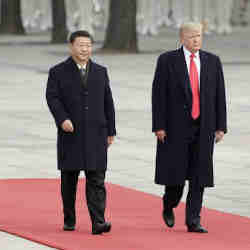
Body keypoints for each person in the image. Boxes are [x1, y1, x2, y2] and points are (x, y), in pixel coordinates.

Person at [152, 22, 227, 233]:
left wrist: (220, 126)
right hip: (175, 128)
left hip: (203, 127)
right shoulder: (167, 60)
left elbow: (219, 94)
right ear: (182, 38)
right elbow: (158, 95)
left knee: (199, 176)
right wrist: (159, 126)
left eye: (200, 36)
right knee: (175, 177)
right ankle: (169, 203)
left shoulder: (212, 61)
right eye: (192, 36)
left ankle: (193, 220)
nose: (197, 40)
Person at [46, 30, 116, 235]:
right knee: (69, 180)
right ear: (71, 47)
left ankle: (98, 221)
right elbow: (53, 98)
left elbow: (108, 102)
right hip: (71, 134)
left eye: (88, 45)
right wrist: (62, 119)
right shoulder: (58, 71)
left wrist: (111, 130)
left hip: (96, 133)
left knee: (97, 180)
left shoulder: (101, 71)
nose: (85, 49)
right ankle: (69, 218)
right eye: (81, 45)